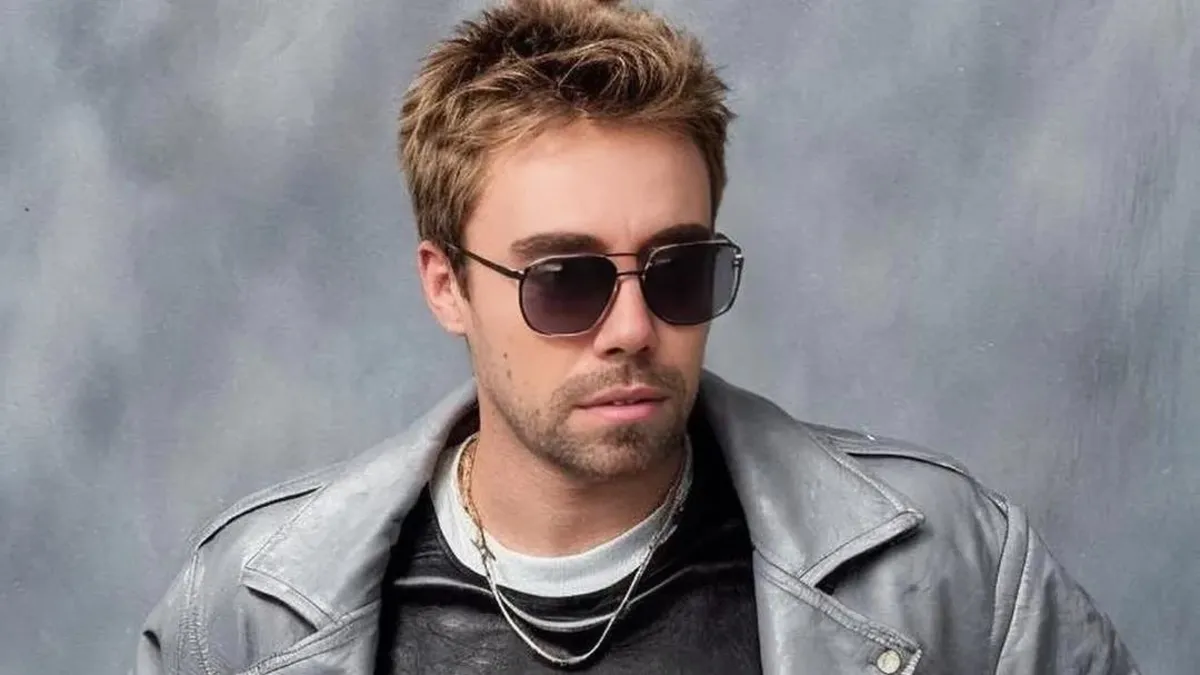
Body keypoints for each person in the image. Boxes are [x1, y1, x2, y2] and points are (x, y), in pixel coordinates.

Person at [136, 0, 1141, 672]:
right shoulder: (249, 610)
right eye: (564, 280)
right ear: (447, 286)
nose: (632, 328)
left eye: (677, 270)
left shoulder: (955, 573)